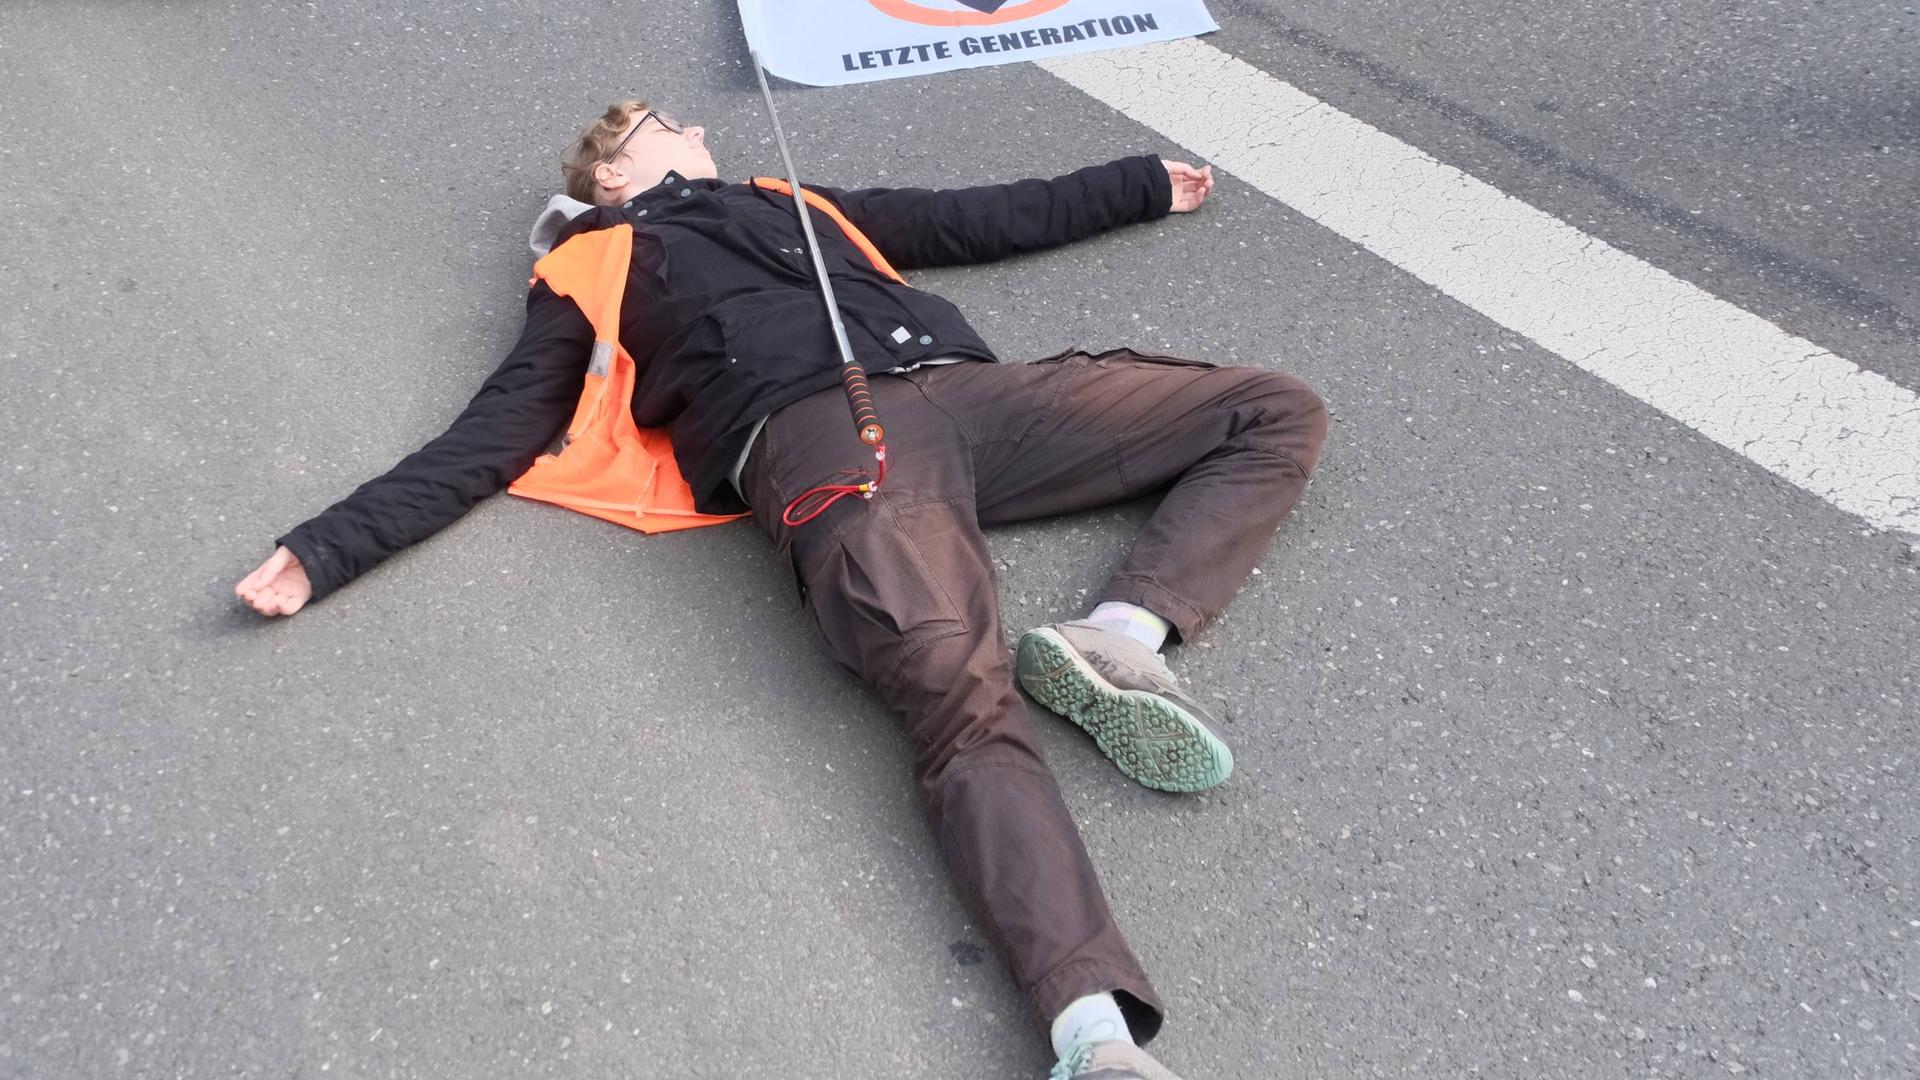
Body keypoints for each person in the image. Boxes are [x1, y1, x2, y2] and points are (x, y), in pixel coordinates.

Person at [235, 100, 1326, 1079]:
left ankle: (1118, 636)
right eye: (662, 119)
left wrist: (1136, 186)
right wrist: (329, 547)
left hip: (979, 398)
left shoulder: (785, 196)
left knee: (1270, 409)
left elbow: (962, 219)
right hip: (829, 449)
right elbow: (493, 435)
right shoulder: (592, 265)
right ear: (611, 173)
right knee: (960, 698)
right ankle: (1095, 1035)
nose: (697, 126)